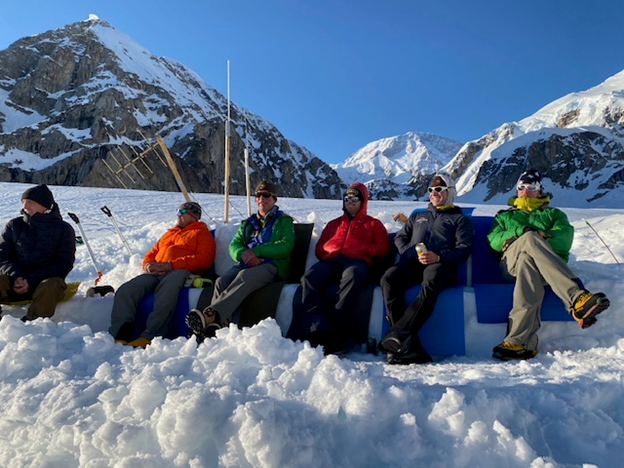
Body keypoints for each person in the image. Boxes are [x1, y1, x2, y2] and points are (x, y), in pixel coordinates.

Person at [487, 169, 610, 361]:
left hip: (545, 270)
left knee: (528, 262)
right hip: (510, 266)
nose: (525, 192)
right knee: (529, 238)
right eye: (521, 187)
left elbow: (564, 239)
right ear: (516, 190)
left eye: (531, 187)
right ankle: (576, 299)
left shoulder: (554, 214)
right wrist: (524, 233)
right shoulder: (505, 216)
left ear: (540, 191)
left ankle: (519, 342)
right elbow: (494, 240)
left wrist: (538, 241)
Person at [378, 174, 474, 364]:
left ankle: (397, 335)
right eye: (431, 190)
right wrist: (411, 253)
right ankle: (408, 347)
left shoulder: (459, 220)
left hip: (441, 266)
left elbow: (464, 249)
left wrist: (439, 256)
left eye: (438, 189)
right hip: (414, 263)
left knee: (431, 278)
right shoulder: (417, 216)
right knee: (389, 278)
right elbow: (400, 238)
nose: (433, 193)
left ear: (450, 192)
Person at [185, 181, 295, 342]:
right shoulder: (248, 223)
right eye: (258, 195)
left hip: (272, 265)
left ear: (274, 199)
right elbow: (234, 245)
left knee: (245, 276)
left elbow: (286, 246)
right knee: (222, 281)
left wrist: (256, 251)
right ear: (255, 199)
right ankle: (217, 327)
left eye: (266, 195)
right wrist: (244, 254)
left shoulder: (283, 221)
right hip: (246, 263)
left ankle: (211, 315)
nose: (262, 198)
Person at [109, 201, 215, 348]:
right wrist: (148, 265)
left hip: (181, 271)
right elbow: (151, 254)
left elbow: (205, 259)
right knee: (127, 290)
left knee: (166, 291)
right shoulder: (169, 234)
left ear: (194, 216)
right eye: (177, 211)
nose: (178, 214)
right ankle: (120, 333)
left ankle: (151, 336)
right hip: (157, 272)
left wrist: (171, 265)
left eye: (182, 212)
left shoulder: (200, 233)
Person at [300, 183, 389, 354]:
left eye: (354, 198)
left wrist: (359, 249)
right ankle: (317, 329)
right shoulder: (333, 224)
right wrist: (331, 251)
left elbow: (382, 249)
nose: (350, 201)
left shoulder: (373, 224)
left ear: (362, 201)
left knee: (353, 277)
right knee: (309, 278)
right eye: (347, 198)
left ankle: (336, 333)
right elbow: (319, 249)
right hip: (331, 261)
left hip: (356, 263)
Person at [0, 184, 76, 321]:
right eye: (23, 202)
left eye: (31, 203)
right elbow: (3, 256)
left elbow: (64, 264)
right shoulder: (14, 225)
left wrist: (31, 280)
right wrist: (16, 276)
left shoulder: (64, 230)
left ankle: (31, 325)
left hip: (44, 286)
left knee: (51, 285)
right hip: (13, 281)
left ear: (45, 205)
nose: (25, 207)